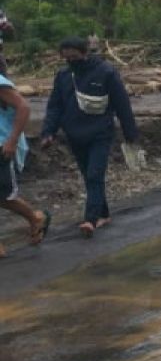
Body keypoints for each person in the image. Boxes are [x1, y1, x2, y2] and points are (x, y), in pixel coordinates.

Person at [40, 36, 138, 238]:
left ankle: (90, 219)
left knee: (94, 174)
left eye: (74, 57)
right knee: (88, 175)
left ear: (85, 53)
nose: (70, 61)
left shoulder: (106, 72)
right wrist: (48, 132)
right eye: (66, 58)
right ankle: (104, 214)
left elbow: (122, 104)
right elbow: (55, 106)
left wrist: (130, 133)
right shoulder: (64, 76)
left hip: (100, 133)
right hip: (74, 135)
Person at [0, 74, 51, 258]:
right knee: (3, 198)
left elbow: (23, 107)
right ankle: (35, 218)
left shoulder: (0, 83)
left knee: (5, 197)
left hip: (2, 145)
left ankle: (35, 218)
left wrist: (12, 141)